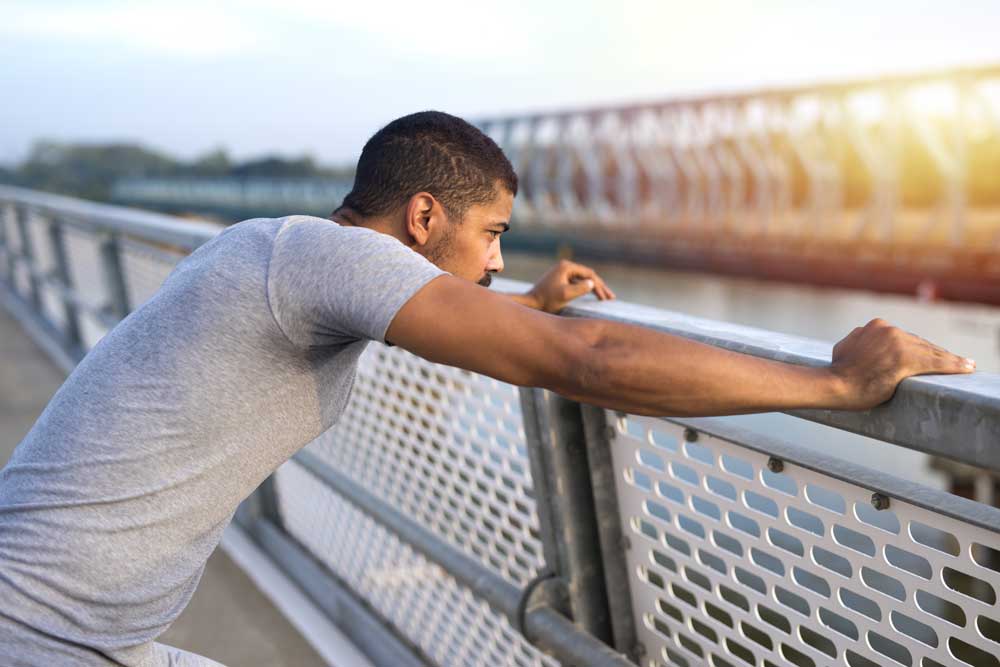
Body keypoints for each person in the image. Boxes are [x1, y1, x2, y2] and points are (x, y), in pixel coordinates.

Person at [0, 111, 974, 667]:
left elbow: (459, 322)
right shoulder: (325, 262)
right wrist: (835, 381)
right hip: (37, 633)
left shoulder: (283, 253)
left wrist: (519, 302)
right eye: (494, 234)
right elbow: (587, 366)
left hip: (93, 633)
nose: (499, 257)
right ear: (424, 215)